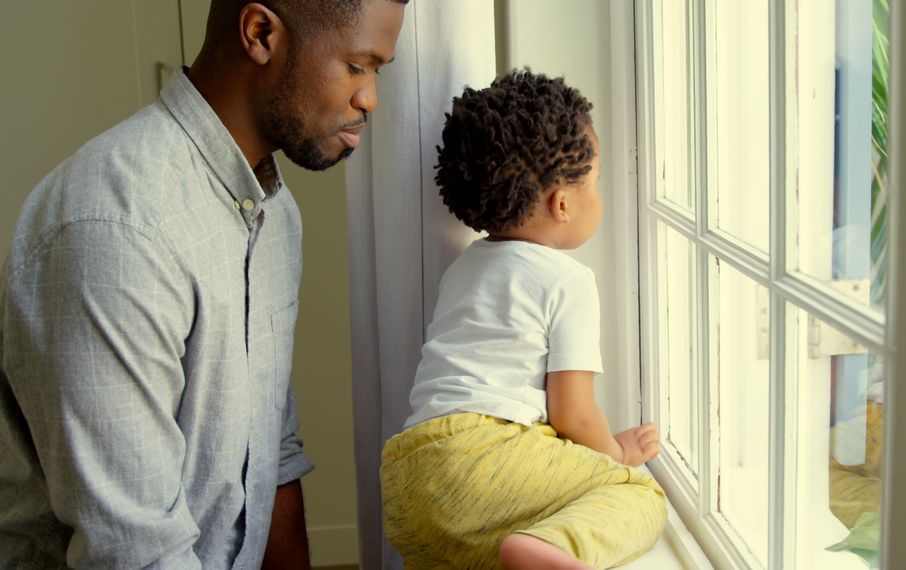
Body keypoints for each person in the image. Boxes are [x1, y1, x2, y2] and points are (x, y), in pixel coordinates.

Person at [0, 0, 406, 567]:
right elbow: (134, 551)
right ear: (260, 33)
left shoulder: (275, 213)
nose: (370, 99)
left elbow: (271, 454)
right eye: (358, 66)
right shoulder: (115, 225)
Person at [380, 70, 668, 570]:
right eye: (595, 181)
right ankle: (553, 548)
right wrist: (614, 458)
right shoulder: (567, 280)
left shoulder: (466, 265)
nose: (599, 195)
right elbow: (572, 414)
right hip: (484, 456)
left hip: (410, 477)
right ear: (562, 203)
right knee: (641, 497)